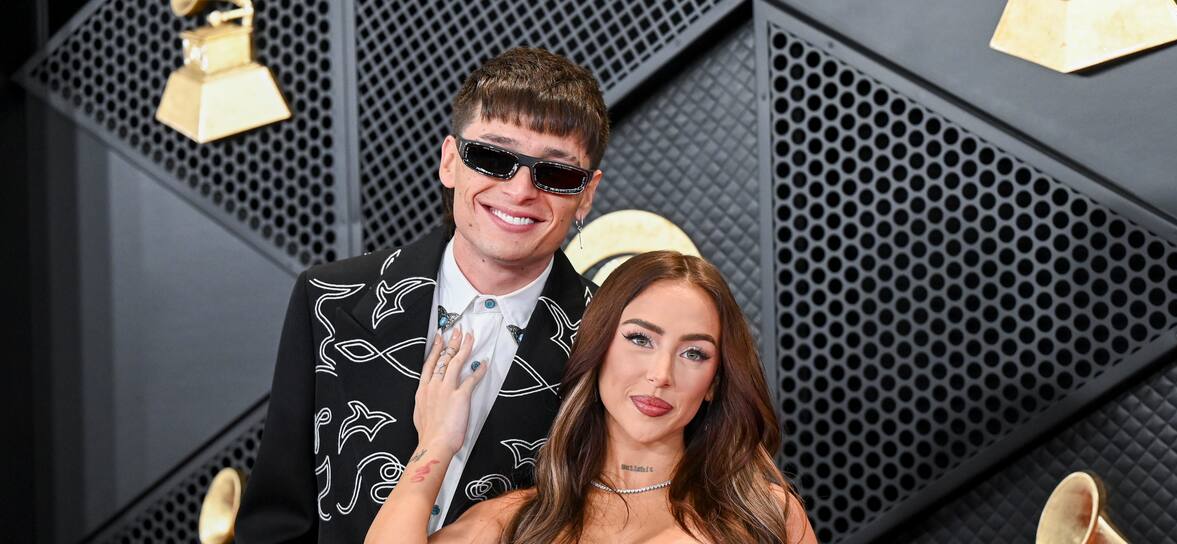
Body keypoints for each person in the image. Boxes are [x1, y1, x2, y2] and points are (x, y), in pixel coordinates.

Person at [236, 47, 608, 542]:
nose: (521, 191)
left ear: (586, 194)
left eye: (556, 173)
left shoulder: (613, 336)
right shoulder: (329, 298)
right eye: (493, 158)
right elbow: (276, 522)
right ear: (450, 161)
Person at [366, 251, 819, 543]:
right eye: (640, 339)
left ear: (715, 382)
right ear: (599, 349)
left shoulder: (765, 514)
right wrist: (436, 445)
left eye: (694, 353)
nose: (660, 375)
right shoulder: (515, 522)